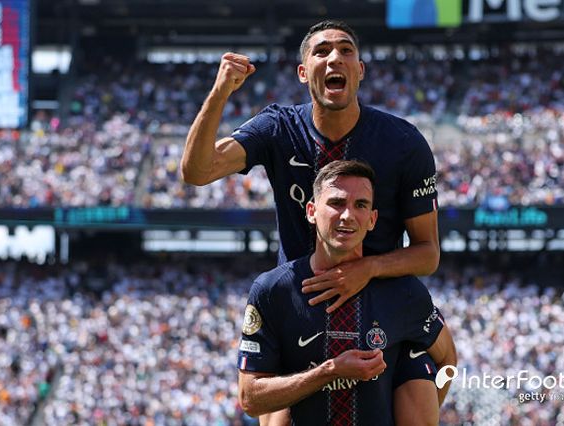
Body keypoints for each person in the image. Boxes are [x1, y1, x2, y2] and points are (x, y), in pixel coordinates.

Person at [182, 19, 443, 424]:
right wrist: (219, 93)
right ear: (304, 73)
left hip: (380, 305)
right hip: (299, 305)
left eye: (345, 50)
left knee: (425, 385)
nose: (334, 57)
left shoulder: (404, 142)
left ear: (360, 70)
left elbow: (427, 254)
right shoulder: (278, 127)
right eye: (321, 51)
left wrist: (367, 269)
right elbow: (197, 172)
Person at [237, 160, 456, 425]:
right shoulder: (273, 291)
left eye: (360, 205)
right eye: (336, 203)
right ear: (311, 211)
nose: (347, 215)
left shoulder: (404, 292)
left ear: (372, 219)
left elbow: (447, 359)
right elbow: (249, 399)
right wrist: (330, 371)